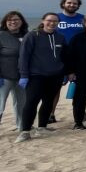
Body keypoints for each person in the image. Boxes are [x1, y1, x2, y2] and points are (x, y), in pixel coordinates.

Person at [16, 13, 70, 142]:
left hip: (55, 76)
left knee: (48, 102)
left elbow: (65, 57)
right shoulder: (32, 36)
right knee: (31, 102)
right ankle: (25, 131)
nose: (52, 23)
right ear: (43, 21)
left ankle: (42, 127)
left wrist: (66, 72)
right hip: (36, 76)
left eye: (55, 21)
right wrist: (24, 75)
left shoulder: (60, 37)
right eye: (49, 21)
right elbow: (24, 56)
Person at [0, 10, 28, 141]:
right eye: (10, 20)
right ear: (5, 23)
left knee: (22, 104)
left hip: (21, 77)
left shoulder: (26, 35)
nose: (13, 22)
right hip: (1, 76)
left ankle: (23, 127)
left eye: (16, 20)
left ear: (22, 22)